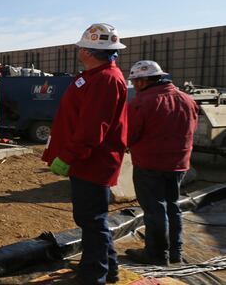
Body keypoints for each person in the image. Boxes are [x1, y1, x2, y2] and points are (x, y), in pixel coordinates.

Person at [42, 23, 128, 285]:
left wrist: (68, 157)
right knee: (90, 219)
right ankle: (107, 268)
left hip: (92, 163)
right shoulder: (93, 76)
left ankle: (94, 275)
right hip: (86, 162)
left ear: (90, 51)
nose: (78, 49)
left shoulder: (106, 80)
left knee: (92, 220)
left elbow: (92, 129)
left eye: (82, 46)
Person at [124, 60, 198, 266]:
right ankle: (175, 251)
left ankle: (157, 255)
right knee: (173, 206)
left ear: (143, 80)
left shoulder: (142, 102)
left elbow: (129, 135)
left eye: (135, 81)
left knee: (155, 209)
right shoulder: (187, 99)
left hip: (150, 164)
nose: (134, 85)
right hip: (179, 164)